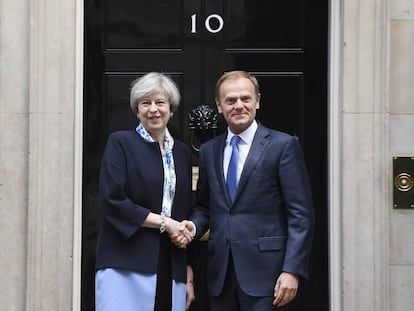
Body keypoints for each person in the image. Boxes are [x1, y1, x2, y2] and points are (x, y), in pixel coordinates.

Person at [174, 70, 314, 310]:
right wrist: (193, 226)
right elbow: (205, 206)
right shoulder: (209, 150)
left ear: (257, 101)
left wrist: (292, 269)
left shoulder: (282, 146)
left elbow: (301, 214)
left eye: (245, 99)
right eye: (230, 100)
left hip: (269, 277)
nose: (239, 105)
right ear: (219, 105)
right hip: (221, 276)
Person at [95, 72, 195, 311]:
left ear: (171, 109)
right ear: (137, 109)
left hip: (171, 263)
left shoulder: (181, 153)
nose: (153, 109)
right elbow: (113, 201)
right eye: (145, 103)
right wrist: (166, 223)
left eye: (160, 102)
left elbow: (184, 210)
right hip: (125, 261)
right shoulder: (120, 143)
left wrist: (188, 272)